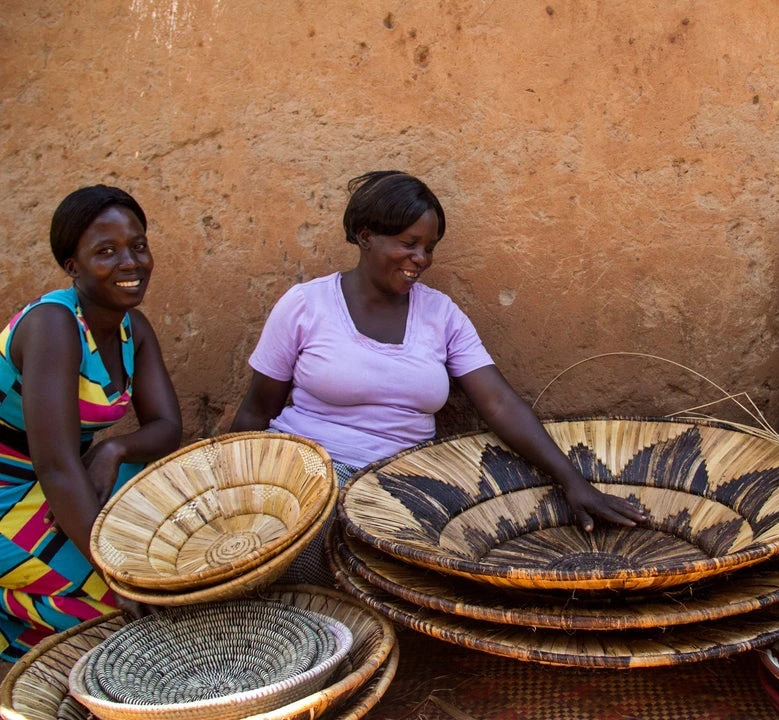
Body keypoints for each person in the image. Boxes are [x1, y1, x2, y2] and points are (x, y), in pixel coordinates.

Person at [231, 171, 645, 583]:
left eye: (429, 248)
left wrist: (573, 482)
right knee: (309, 551)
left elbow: (498, 402)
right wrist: (230, 495)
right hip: (308, 474)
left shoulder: (441, 314)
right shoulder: (306, 305)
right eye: (409, 244)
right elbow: (257, 409)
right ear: (365, 236)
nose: (422, 259)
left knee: (438, 555)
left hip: (398, 482)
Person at [0, 185, 182, 660]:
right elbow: (56, 465)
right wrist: (113, 572)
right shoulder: (53, 325)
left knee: (174, 538)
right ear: (72, 266)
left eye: (138, 246)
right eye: (106, 252)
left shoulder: (132, 328)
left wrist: (113, 448)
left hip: (58, 475)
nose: (131, 262)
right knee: (127, 601)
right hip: (10, 489)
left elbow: (166, 427)